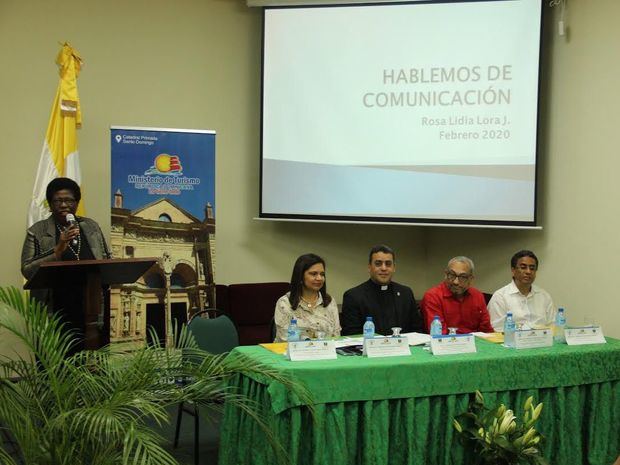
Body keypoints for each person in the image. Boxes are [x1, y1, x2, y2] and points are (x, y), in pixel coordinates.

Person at [21, 177, 111, 344]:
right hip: (54, 308)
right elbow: (27, 269)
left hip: (91, 307)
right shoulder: (38, 231)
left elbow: (106, 259)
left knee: (92, 363)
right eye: (58, 201)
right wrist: (58, 250)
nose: (64, 205)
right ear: (50, 203)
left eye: (69, 200)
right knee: (58, 364)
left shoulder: (91, 227)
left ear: (76, 203)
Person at [341, 244, 423, 336]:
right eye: (378, 263)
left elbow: (417, 330)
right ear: (369, 267)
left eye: (388, 264)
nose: (384, 268)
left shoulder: (406, 293)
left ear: (394, 267)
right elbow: (352, 335)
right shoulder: (353, 296)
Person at [274, 253, 341, 342]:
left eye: (322, 274)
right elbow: (284, 339)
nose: (319, 278)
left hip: (325, 352)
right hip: (292, 353)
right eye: (313, 274)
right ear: (300, 276)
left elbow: (336, 336)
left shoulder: (329, 301)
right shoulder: (285, 303)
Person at [421, 256, 493, 334]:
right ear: (445, 274)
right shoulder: (433, 296)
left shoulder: (477, 296)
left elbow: (486, 331)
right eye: (452, 275)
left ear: (471, 279)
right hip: (446, 343)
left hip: (475, 343)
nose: (456, 282)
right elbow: (439, 334)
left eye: (462, 277)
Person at [487, 250, 555, 331]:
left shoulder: (544, 296)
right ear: (513, 271)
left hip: (541, 341)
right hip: (511, 342)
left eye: (532, 268)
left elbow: (553, 326)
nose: (528, 271)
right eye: (523, 267)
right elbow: (497, 330)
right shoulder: (500, 296)